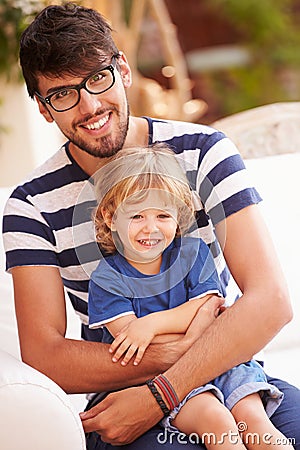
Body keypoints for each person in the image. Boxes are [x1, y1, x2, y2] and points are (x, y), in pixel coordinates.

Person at [1, 2, 299, 449]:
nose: (90, 106)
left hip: (234, 380)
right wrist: (182, 354)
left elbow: (271, 301)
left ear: (122, 69)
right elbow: (45, 355)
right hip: (122, 399)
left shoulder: (204, 152)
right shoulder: (30, 205)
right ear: (44, 109)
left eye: (97, 78)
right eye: (63, 94)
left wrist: (164, 390)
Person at [87, 143, 291, 450]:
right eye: (137, 216)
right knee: (216, 420)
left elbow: (206, 305)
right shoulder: (107, 279)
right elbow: (132, 342)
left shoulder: (193, 254)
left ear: (177, 216)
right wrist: (194, 327)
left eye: (162, 215)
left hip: (221, 365)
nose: (151, 228)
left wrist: (151, 324)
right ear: (111, 217)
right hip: (158, 379)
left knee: (254, 420)